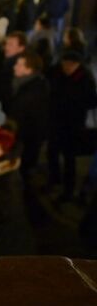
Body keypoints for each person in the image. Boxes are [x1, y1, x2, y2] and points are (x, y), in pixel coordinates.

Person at [48, 51, 97, 201]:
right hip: (56, 121)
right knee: (52, 152)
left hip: (73, 125)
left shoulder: (85, 78)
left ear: (77, 64)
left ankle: (68, 191)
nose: (66, 67)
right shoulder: (58, 72)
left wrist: (75, 103)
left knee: (69, 158)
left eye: (70, 65)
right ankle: (54, 180)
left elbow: (91, 101)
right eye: (64, 64)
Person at [6, 51, 50, 177]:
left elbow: (25, 118)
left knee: (22, 171)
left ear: (29, 69)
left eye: (19, 65)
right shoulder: (25, 84)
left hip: (26, 139)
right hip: (24, 137)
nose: (15, 67)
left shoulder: (32, 91)